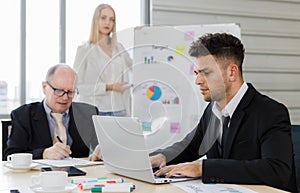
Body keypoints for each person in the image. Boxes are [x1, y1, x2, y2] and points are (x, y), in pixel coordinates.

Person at [150, 33, 297, 192]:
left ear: (232, 72)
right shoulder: (212, 110)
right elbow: (191, 146)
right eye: (197, 73)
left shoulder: (270, 112)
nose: (198, 81)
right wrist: (163, 157)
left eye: (206, 73)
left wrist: (203, 168)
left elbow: (276, 170)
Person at [4, 64, 102, 161]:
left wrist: (102, 150)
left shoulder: (88, 113)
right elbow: (10, 156)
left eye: (70, 92)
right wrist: (43, 153)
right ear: (44, 87)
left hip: (80, 175)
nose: (65, 97)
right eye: (59, 91)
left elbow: (101, 145)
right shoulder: (23, 116)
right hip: (38, 175)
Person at [73, 3, 132, 117]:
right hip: (95, 110)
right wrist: (109, 87)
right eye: (103, 18)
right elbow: (78, 86)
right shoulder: (84, 50)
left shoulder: (119, 48)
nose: (107, 23)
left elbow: (134, 67)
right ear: (96, 20)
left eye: (112, 19)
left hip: (120, 110)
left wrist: (141, 36)